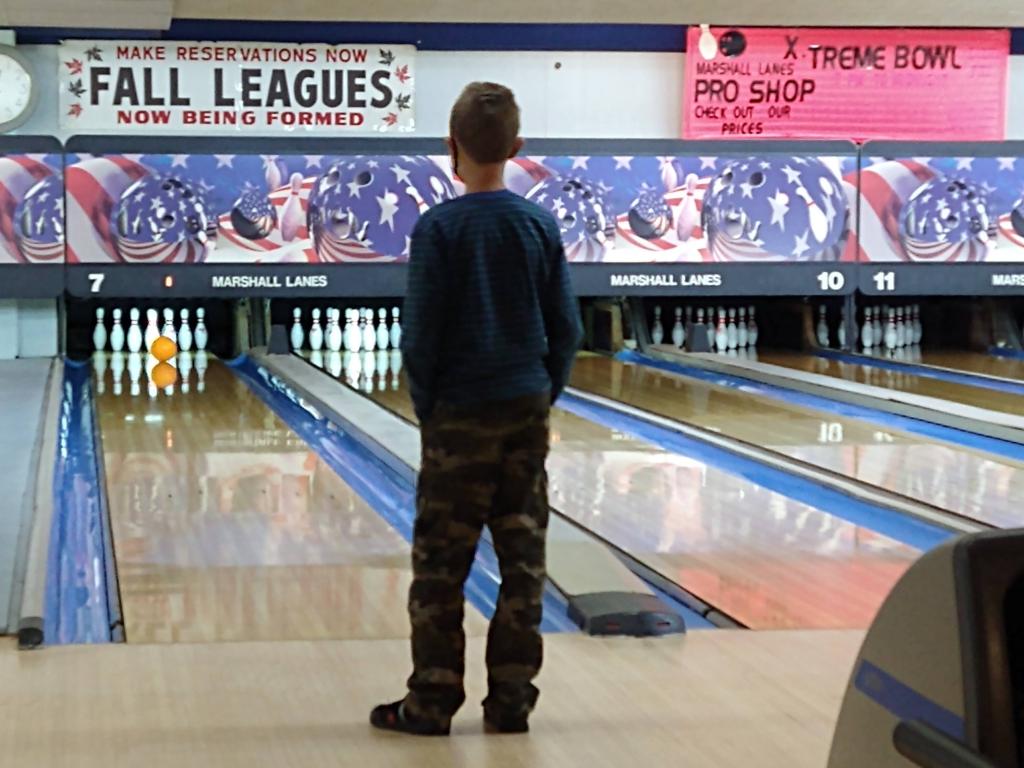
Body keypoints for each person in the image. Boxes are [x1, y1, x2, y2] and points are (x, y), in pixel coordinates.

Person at [370, 82, 583, 737]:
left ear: (450, 146)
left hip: (458, 415)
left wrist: (432, 410)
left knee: (440, 567)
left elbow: (419, 336)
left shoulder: (438, 228)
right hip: (524, 408)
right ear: (517, 147)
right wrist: (542, 392)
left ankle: (431, 704)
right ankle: (512, 703)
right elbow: (567, 329)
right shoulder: (538, 225)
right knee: (523, 563)